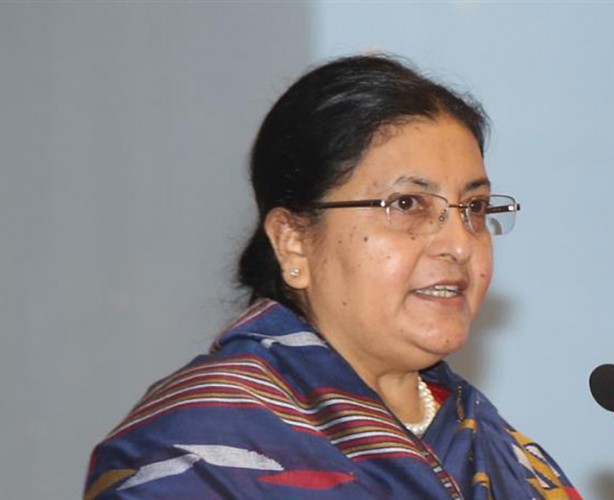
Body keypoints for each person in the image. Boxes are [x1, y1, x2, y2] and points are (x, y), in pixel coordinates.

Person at [85, 54, 580, 499]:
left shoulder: (506, 455)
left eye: (473, 208)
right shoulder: (197, 448)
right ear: (293, 242)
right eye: (408, 204)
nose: (459, 243)